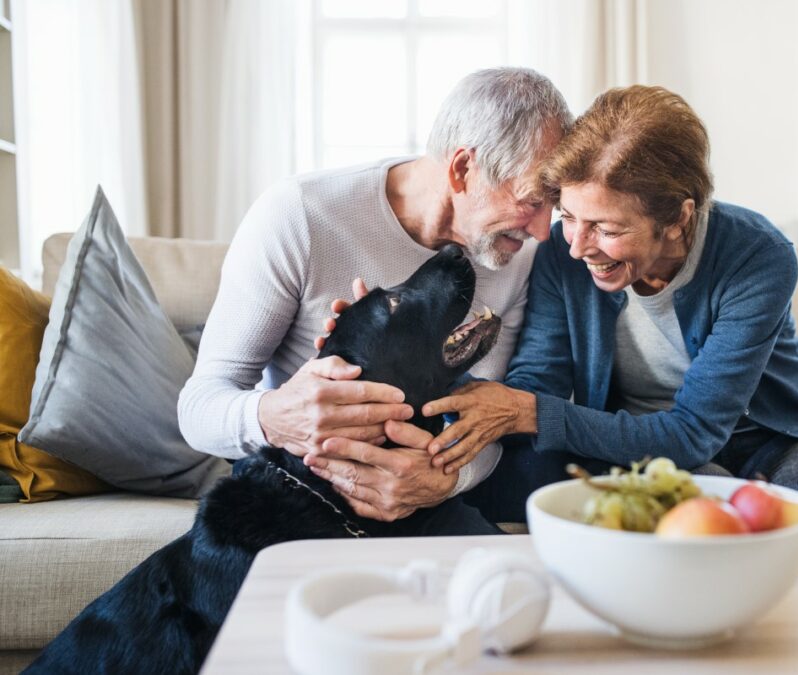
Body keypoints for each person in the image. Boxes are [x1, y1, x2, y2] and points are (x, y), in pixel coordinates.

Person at [417, 85, 798, 518]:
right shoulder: (559, 253)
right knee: (692, 515)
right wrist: (433, 383)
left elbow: (693, 432)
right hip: (640, 449)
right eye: (569, 217)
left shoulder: (757, 256)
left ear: (677, 218)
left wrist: (529, 411)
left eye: (607, 229)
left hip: (780, 439)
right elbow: (537, 384)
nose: (578, 247)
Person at [178, 68, 573, 531]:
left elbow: (483, 420)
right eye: (531, 201)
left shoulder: (517, 253)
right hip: (298, 486)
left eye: (555, 204)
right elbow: (198, 410)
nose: (544, 231)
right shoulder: (300, 215)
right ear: (463, 168)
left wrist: (446, 478)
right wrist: (277, 415)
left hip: (424, 489)